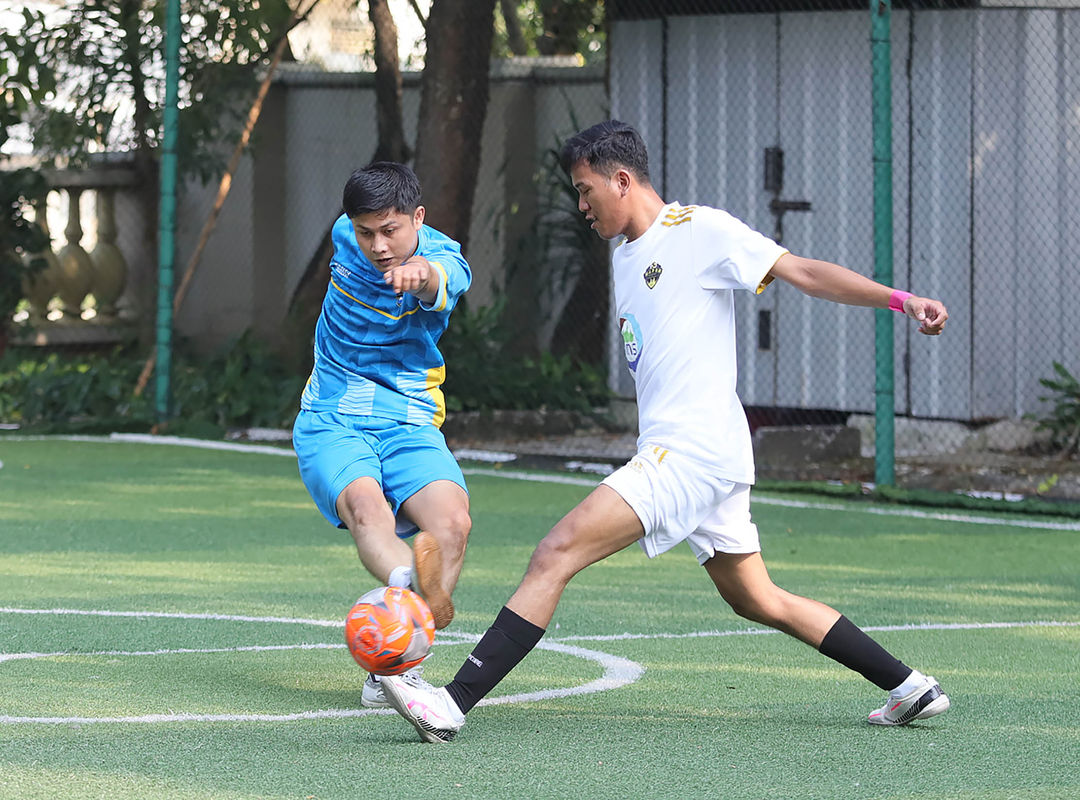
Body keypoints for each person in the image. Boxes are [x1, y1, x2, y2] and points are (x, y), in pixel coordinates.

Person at [379, 121, 951, 743]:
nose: (580, 205)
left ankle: (452, 703)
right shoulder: (626, 253)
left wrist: (902, 301)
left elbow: (804, 272)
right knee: (757, 598)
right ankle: (908, 685)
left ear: (622, 180)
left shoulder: (700, 231)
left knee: (555, 552)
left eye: (585, 189)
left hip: (691, 449)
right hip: (707, 451)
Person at [292, 161, 472, 709]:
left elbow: (442, 280)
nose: (378, 245)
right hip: (332, 416)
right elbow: (362, 229)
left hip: (409, 419)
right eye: (366, 232)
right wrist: (413, 585)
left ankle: (391, 665)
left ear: (418, 218)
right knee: (366, 508)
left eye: (391, 231)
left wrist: (421, 277)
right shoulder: (345, 234)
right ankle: (408, 597)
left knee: (452, 522)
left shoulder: (444, 261)